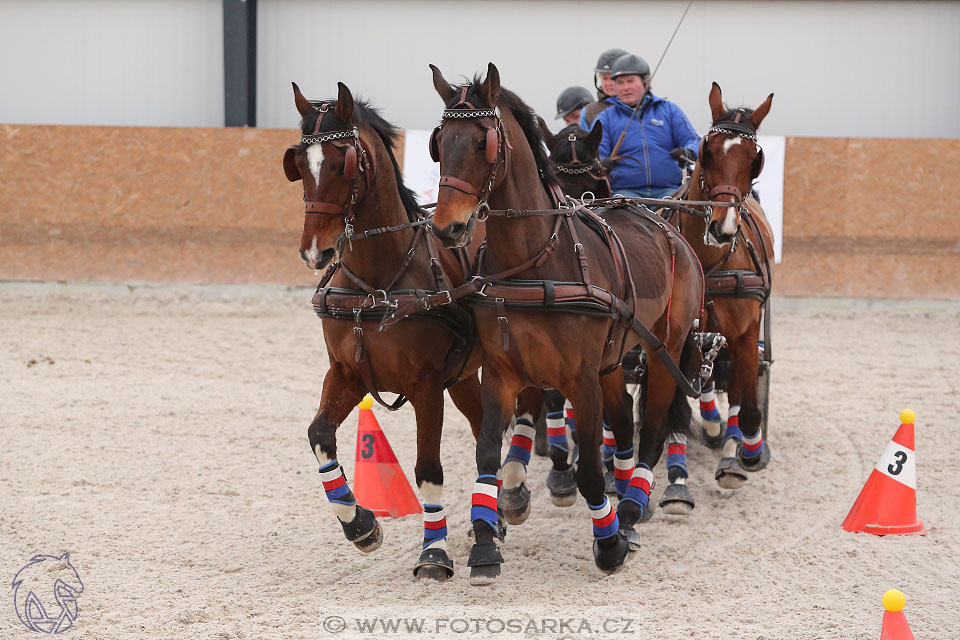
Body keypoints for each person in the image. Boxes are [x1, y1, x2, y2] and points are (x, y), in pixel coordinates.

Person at [595, 53, 699, 199]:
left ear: (646, 82)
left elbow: (695, 140)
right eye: (620, 82)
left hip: (669, 192)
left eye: (630, 81)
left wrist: (689, 152)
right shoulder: (605, 118)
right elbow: (595, 155)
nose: (625, 87)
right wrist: (601, 163)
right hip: (625, 194)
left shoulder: (669, 110)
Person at [579, 48, 629, 130]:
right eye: (604, 78)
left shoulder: (641, 107)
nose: (608, 83)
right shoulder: (587, 112)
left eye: (612, 78)